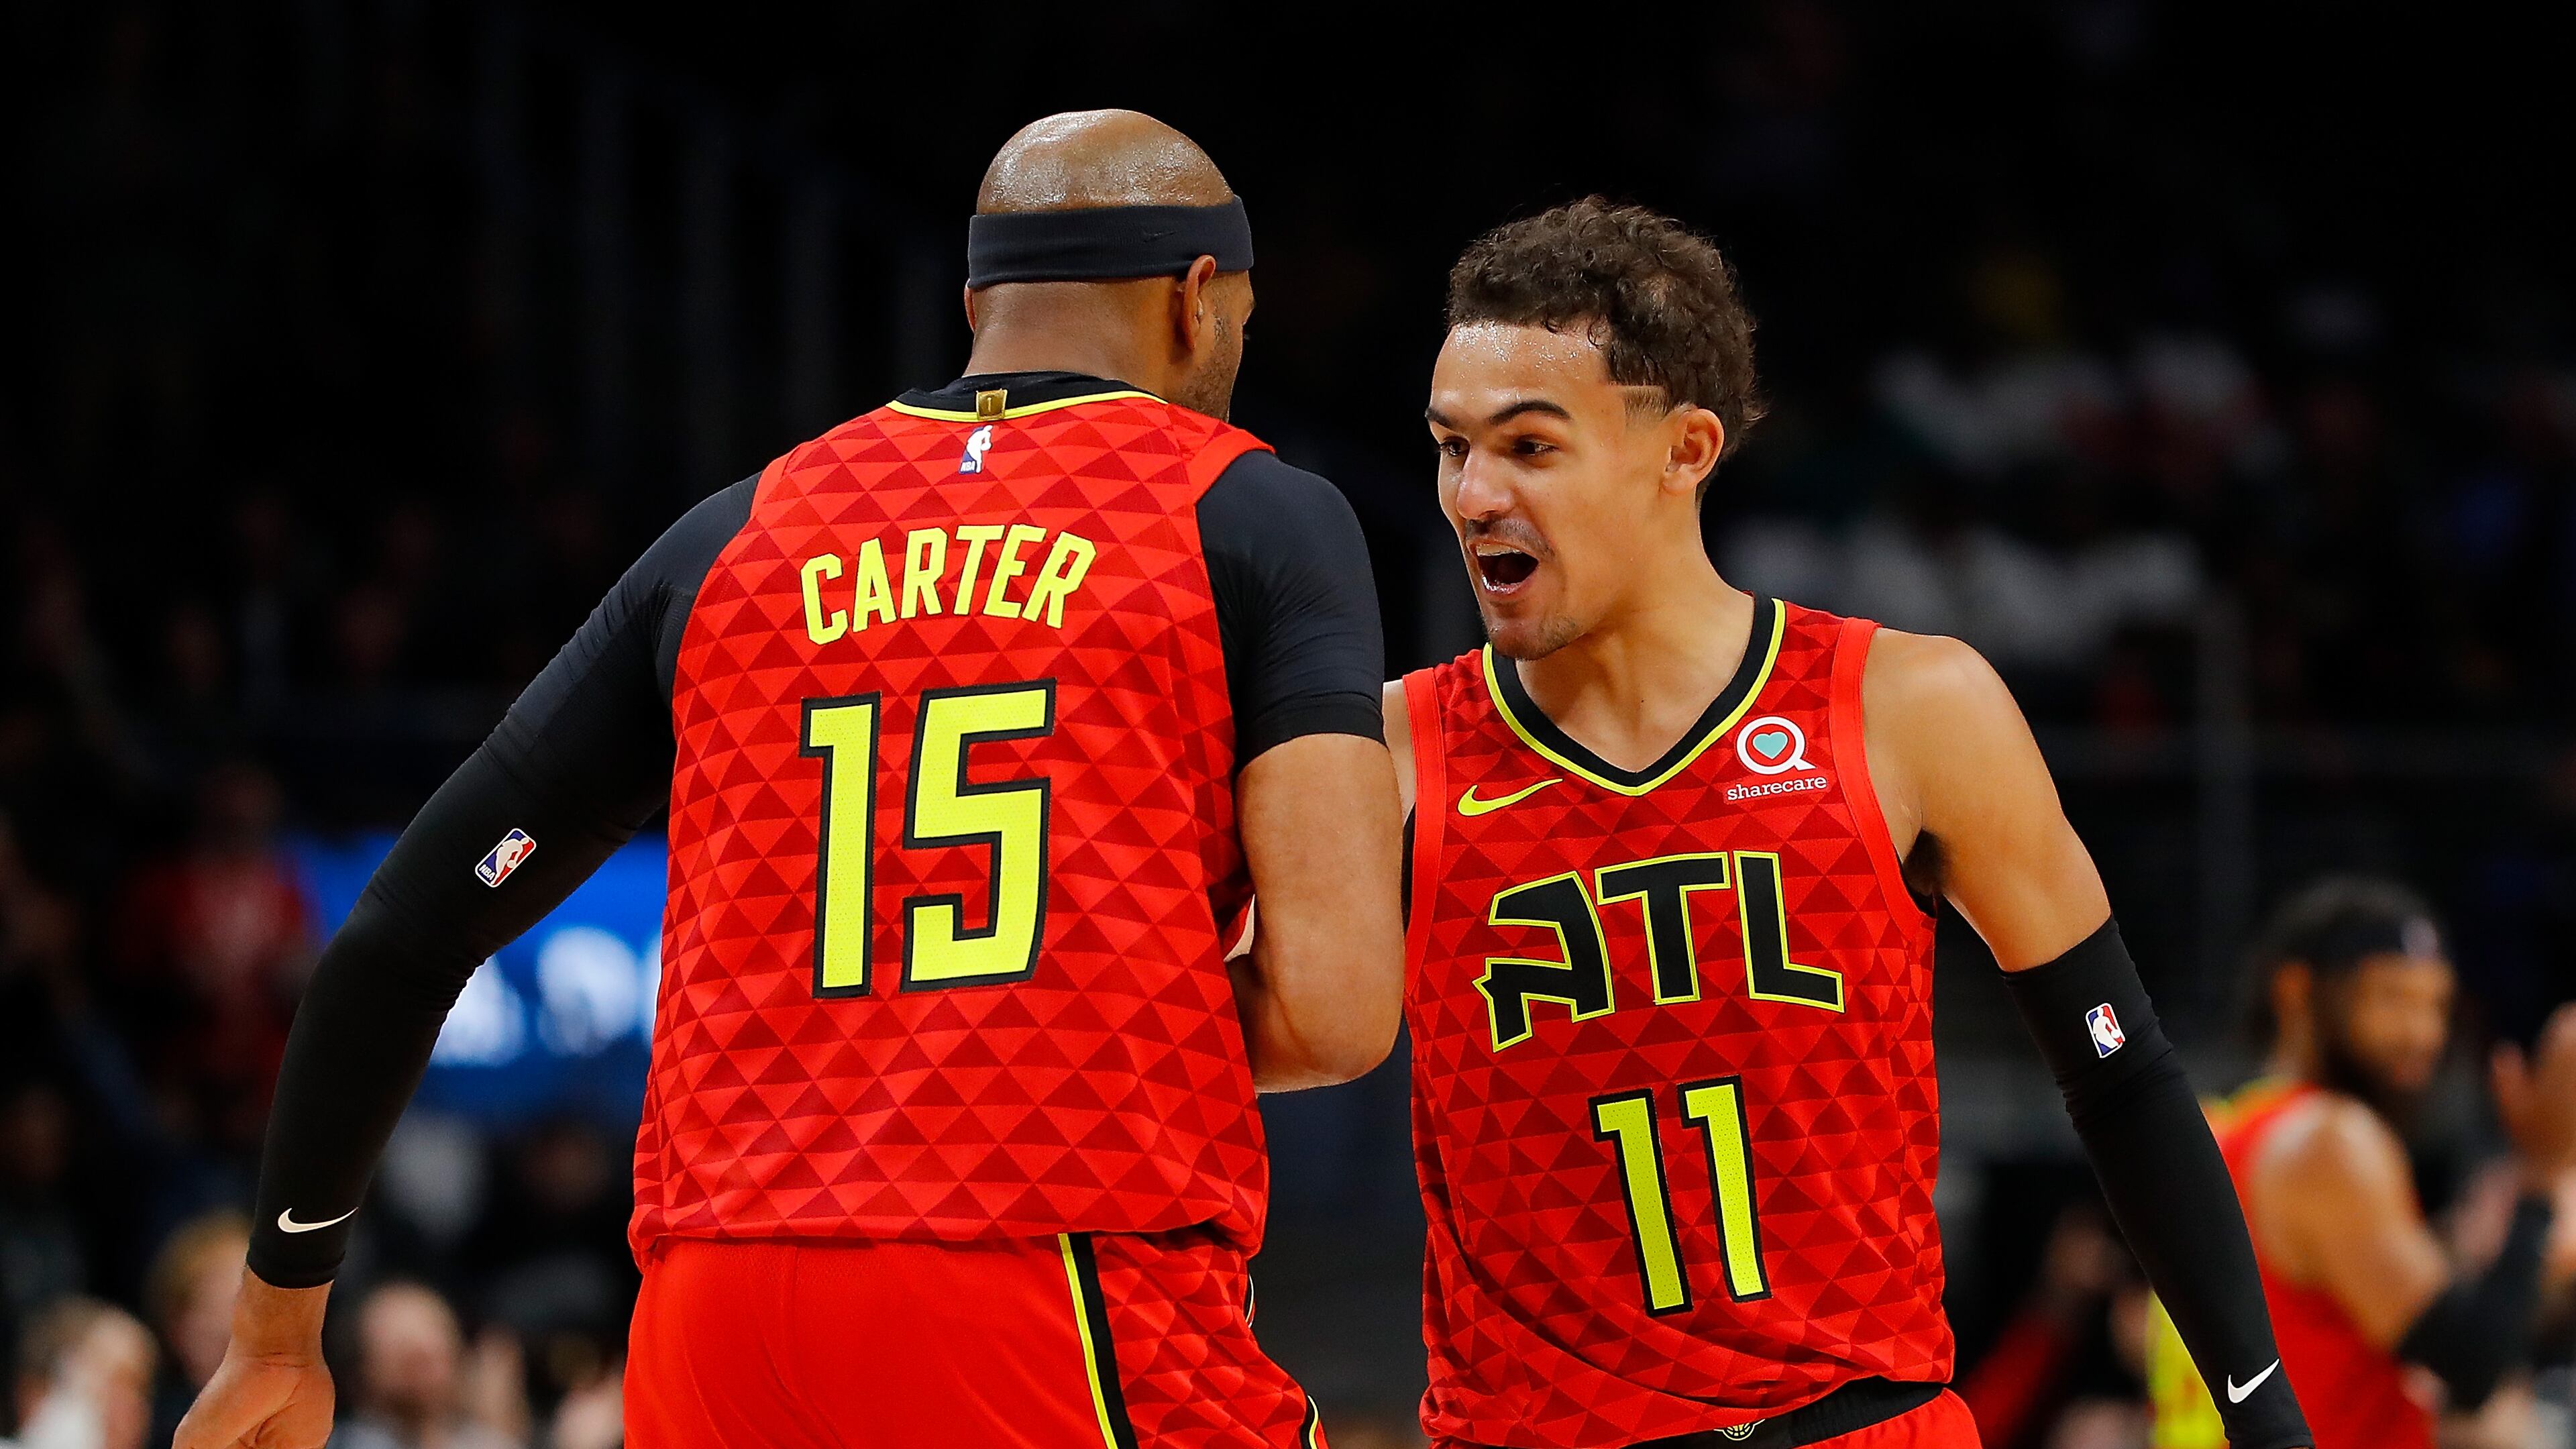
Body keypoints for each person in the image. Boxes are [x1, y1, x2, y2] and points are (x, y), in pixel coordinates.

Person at [177, 109, 1404, 1449]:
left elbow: (406, 931)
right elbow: (1339, 1008)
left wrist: (278, 1337)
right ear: (1197, 298)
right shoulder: (1256, 515)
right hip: (1045, 1273)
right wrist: (1062, 1012)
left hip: (721, 1309)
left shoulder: (735, 534)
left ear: (977, 302)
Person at [1390, 200, 2310, 1449]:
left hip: (1853, 1422)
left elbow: (2123, 1073)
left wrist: (2261, 1411)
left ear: (1686, 449)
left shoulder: (1908, 708)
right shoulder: (1387, 755)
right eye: (1452, 447)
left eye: (1530, 447)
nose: (1475, 492)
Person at [2145, 879, 2576, 1449]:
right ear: (2297, 992)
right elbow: (2471, 1368)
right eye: (2391, 997)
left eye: (2436, 1005)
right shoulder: (2331, 1141)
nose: (2422, 1034)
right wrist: (2542, 1176)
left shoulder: (2220, 1127)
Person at [325, 1284, 522, 1449]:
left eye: (435, 1354)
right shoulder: (347, 1442)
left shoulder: (478, 1438)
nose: (427, 1377)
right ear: (361, 1374)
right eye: (410, 1360)